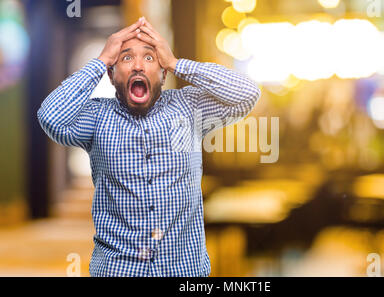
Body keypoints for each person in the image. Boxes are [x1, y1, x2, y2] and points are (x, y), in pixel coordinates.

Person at [37, 17, 261, 277]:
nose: (138, 66)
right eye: (126, 58)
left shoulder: (188, 107)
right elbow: (51, 116)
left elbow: (247, 93)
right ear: (112, 75)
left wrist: (177, 63)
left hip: (184, 272)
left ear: (163, 73)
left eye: (150, 58)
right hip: (119, 271)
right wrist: (100, 61)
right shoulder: (97, 117)